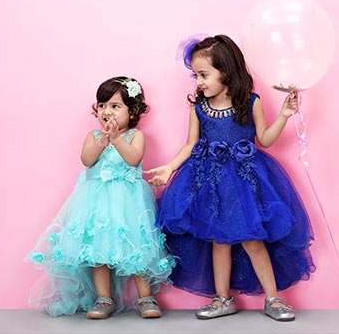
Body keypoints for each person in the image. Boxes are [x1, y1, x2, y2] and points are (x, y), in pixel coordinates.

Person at [147, 35, 315, 321]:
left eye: (204, 74)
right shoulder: (199, 108)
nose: (198, 81)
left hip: (245, 181)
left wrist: (284, 115)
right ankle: (223, 298)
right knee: (218, 240)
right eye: (195, 75)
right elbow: (189, 145)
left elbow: (264, 139)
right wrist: (169, 167)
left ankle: (273, 298)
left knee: (252, 239)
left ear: (225, 71)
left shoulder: (250, 103)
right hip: (209, 182)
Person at [26, 77, 175, 319]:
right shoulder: (93, 135)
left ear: (133, 110)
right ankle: (104, 298)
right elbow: (87, 160)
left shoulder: (135, 136)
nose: (107, 111)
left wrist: (116, 138)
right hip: (96, 203)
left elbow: (134, 159)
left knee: (138, 247)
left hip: (129, 203)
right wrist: (103, 140)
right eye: (102, 105)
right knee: (98, 251)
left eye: (115, 106)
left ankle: (145, 297)